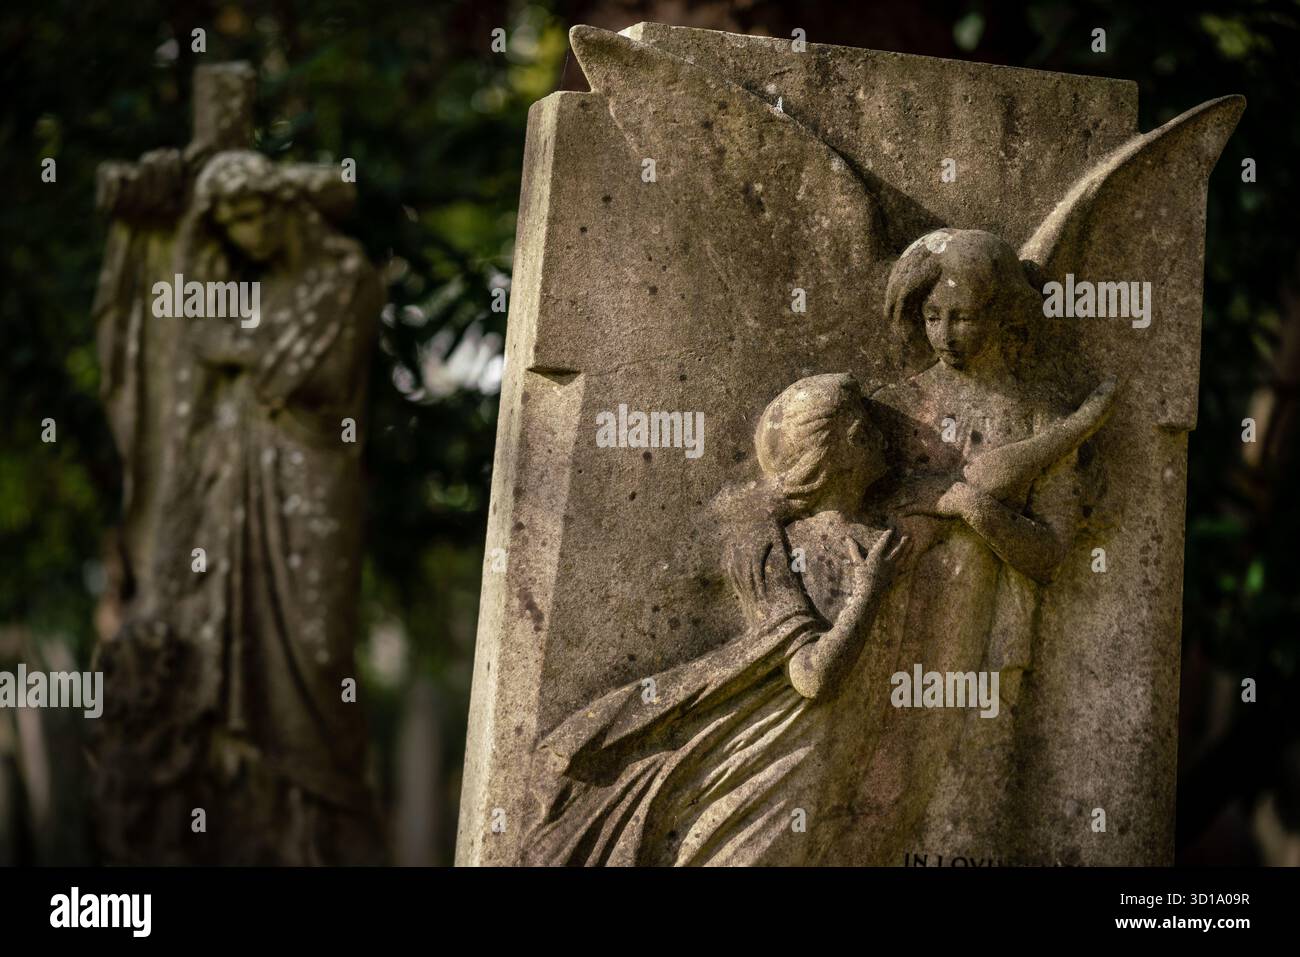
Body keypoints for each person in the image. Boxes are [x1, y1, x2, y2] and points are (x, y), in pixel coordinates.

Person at [523, 374, 909, 866]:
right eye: (864, 430)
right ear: (838, 452)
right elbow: (811, 676)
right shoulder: (786, 549)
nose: (882, 438)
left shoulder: (880, 535)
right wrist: (869, 594)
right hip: (772, 761)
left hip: (835, 760)